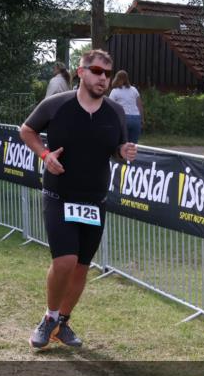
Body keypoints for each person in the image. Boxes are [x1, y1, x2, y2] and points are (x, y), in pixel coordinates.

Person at [19, 49, 137, 350]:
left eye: (107, 74)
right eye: (97, 71)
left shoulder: (115, 112)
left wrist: (123, 153)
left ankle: (63, 323)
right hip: (59, 195)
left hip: (94, 200)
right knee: (65, 261)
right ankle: (49, 318)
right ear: (80, 72)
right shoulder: (57, 105)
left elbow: (117, 147)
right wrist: (44, 155)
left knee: (82, 266)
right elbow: (27, 130)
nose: (103, 78)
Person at [108, 70, 145, 143]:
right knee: (133, 146)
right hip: (136, 119)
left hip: (123, 118)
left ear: (116, 78)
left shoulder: (115, 91)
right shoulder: (134, 90)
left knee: (121, 144)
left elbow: (110, 107)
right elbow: (140, 105)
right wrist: (142, 119)